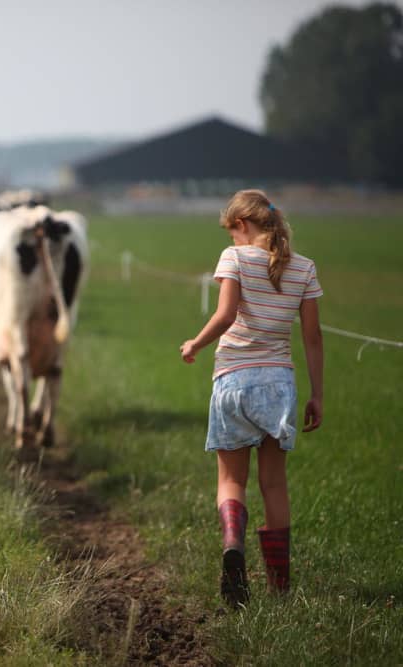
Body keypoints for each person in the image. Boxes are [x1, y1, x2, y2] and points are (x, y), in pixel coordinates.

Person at [180, 190, 324, 607]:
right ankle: (279, 589)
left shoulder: (235, 257)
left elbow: (225, 316)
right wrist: (317, 394)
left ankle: (232, 547)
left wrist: (194, 344)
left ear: (241, 225)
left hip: (233, 382)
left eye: (233, 233)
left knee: (230, 481)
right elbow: (313, 338)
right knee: (274, 484)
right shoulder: (304, 269)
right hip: (279, 385)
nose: (232, 240)